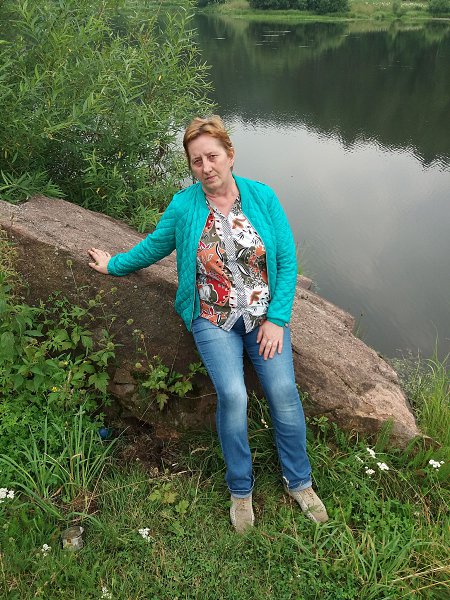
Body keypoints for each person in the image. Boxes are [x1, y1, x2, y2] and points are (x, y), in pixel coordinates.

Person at [88, 115, 328, 533]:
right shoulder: (184, 206)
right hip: (212, 318)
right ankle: (240, 488)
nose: (206, 167)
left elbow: (287, 262)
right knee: (233, 395)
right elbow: (155, 246)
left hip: (262, 317)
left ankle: (299, 481)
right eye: (196, 161)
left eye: (212, 156)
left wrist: (277, 319)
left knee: (284, 393)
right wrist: (115, 265)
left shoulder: (262, 197)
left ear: (230, 155)